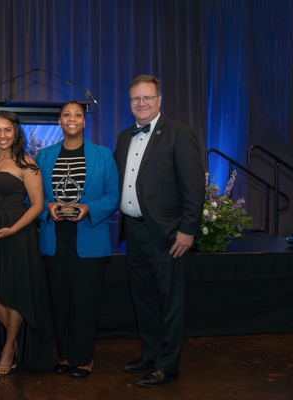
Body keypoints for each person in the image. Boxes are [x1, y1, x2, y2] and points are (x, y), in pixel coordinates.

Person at [114, 75, 205, 387]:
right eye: (135, 99)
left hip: (169, 236)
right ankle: (150, 354)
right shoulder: (125, 137)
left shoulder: (179, 133)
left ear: (159, 100)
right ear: (129, 103)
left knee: (170, 303)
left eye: (147, 98)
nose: (141, 103)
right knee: (145, 301)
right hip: (134, 234)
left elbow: (194, 187)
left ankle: (168, 365)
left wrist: (187, 230)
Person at [36, 101, 119, 379]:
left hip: (90, 239)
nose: (72, 118)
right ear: (59, 121)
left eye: (78, 115)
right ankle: (65, 355)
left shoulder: (103, 155)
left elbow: (112, 197)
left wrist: (89, 209)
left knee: (85, 301)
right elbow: (31, 196)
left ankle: (83, 359)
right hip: (54, 239)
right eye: (66, 114)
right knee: (60, 302)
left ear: (85, 122)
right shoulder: (43, 157)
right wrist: (48, 205)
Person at [0, 110, 53, 374]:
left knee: (13, 295)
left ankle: (8, 350)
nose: (2, 135)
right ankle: (16, 341)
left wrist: (11, 230)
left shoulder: (28, 164)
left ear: (15, 133)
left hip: (16, 236)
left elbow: (38, 206)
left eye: (7, 130)